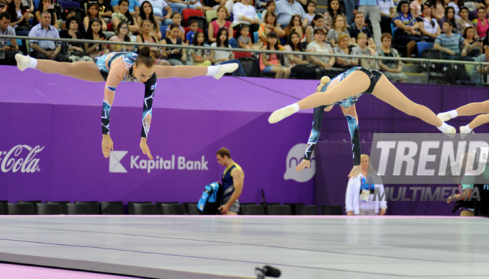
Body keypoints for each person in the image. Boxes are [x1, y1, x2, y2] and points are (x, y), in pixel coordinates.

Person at [16, 46, 238, 157]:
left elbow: (147, 108)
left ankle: (215, 70)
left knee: (172, 70)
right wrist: (105, 135)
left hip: (123, 69)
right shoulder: (119, 70)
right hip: (103, 67)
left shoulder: (149, 73)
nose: (144, 80)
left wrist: (143, 139)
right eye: (142, 76)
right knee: (69, 68)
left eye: (147, 76)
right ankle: (29, 61)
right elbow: (106, 104)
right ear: (135, 68)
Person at [276, 68, 456, 178]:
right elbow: (354, 133)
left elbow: (316, 127)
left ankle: (292, 107)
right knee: (409, 108)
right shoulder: (346, 106)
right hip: (373, 79)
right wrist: (356, 164)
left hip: (360, 76)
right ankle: (443, 125)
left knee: (328, 97)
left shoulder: (326, 90)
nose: (322, 108)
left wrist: (307, 157)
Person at [215, 147, 244, 215]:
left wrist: (227, 205)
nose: (218, 162)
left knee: (232, 226)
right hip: (224, 204)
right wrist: (219, 186)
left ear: (225, 157)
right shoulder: (227, 169)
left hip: (232, 206)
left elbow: (238, 191)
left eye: (219, 159)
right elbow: (228, 187)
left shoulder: (236, 170)